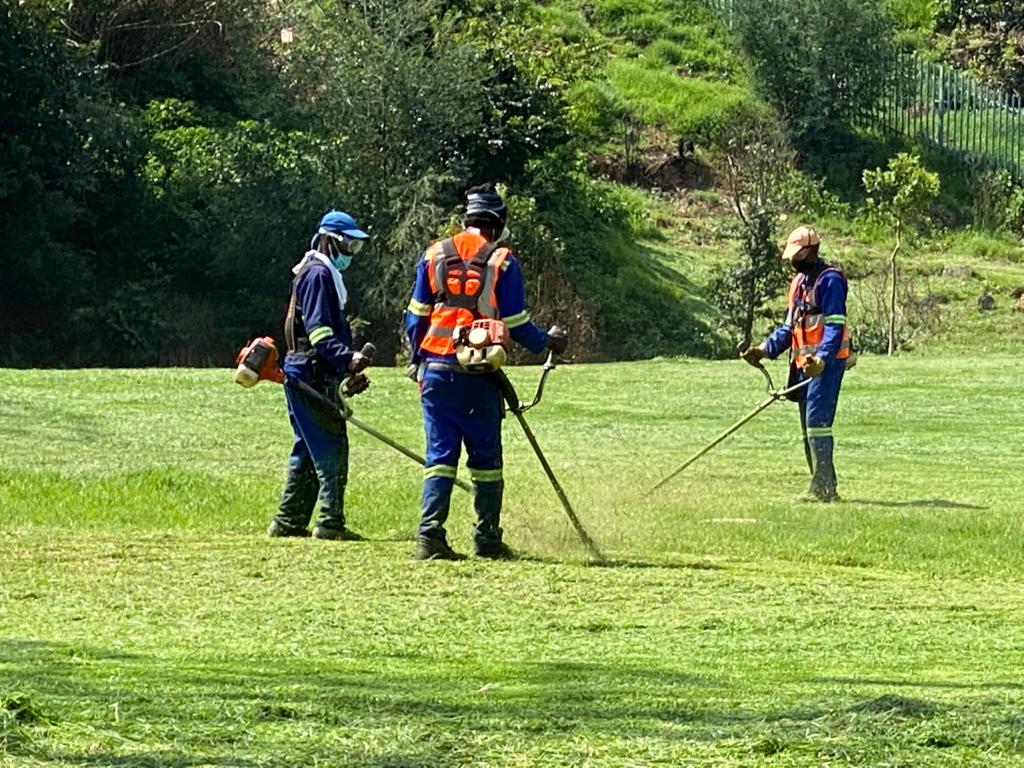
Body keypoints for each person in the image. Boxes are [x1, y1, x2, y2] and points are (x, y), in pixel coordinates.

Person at [404, 184, 567, 560]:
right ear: (497, 224)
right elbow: (515, 322)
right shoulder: (502, 261)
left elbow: (416, 317)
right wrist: (547, 342)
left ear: (468, 220)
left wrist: (417, 361)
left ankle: (429, 535)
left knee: (440, 456)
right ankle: (487, 539)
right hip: (477, 375)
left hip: (436, 371)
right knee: (486, 461)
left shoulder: (433, 254)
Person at [267, 210, 372, 539]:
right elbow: (319, 334)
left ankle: (288, 521)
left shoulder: (317, 272)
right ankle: (329, 523)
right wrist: (348, 359)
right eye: (349, 245)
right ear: (329, 241)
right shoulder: (318, 275)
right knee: (331, 447)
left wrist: (344, 369)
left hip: (305, 371)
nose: (351, 254)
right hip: (310, 374)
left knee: (307, 449)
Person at [740, 225, 851, 503]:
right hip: (803, 364)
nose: (793, 261)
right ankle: (823, 487)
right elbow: (789, 327)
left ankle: (823, 488)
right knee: (807, 426)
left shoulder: (830, 281)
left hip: (826, 364)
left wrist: (822, 359)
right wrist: (763, 350)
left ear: (812, 251)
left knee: (817, 423)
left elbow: (834, 326)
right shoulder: (799, 283)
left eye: (798, 255)